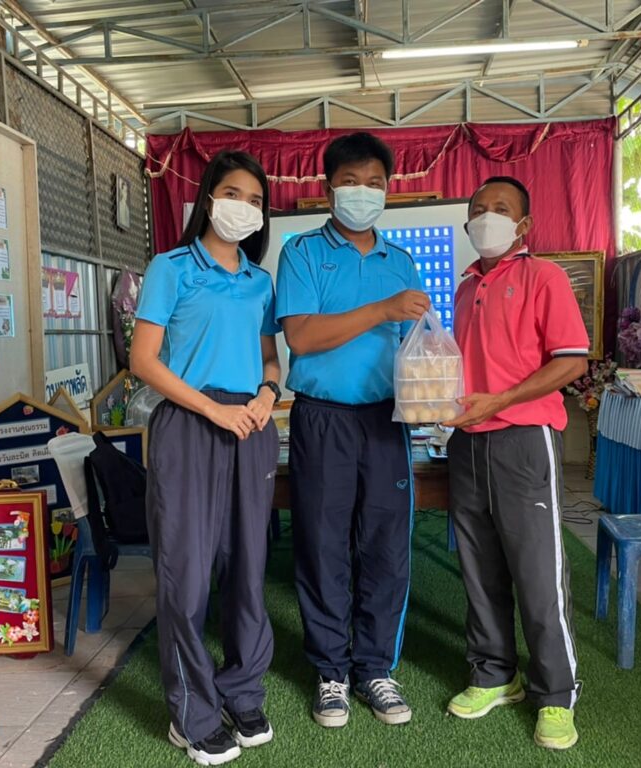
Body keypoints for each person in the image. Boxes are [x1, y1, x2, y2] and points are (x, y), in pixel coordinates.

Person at [130, 150, 282, 766]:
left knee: (248, 567)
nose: (243, 207)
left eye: (255, 199)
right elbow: (143, 361)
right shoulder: (171, 268)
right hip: (190, 425)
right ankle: (191, 713)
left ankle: (241, 692)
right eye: (232, 193)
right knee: (186, 574)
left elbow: (270, 358)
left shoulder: (260, 282)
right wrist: (212, 409)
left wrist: (268, 394)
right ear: (209, 198)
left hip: (252, 426)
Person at [276, 132, 430, 728]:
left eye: (374, 183)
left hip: (388, 419)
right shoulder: (302, 252)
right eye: (350, 182)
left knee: (385, 546)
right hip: (323, 417)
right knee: (323, 544)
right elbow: (302, 337)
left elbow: (414, 347)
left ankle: (375, 669)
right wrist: (382, 310)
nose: (362, 193)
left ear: (387, 191)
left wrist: (431, 388)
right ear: (327, 189)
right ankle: (331, 673)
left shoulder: (402, 262)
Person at [441, 176, 589, 750]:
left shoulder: (543, 277)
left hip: (524, 440)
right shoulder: (464, 288)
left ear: (524, 224)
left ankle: (556, 693)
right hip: (467, 442)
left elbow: (571, 362)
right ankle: (494, 674)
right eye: (478, 210)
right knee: (479, 566)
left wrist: (500, 401)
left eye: (500, 209)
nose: (487, 218)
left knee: (538, 570)